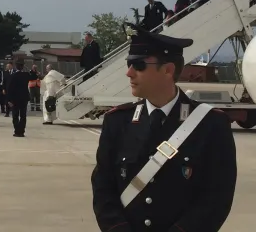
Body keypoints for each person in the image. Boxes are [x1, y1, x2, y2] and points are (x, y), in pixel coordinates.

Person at [91, 22, 237, 232]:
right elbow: (103, 188)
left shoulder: (211, 125)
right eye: (129, 64)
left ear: (168, 70)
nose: (129, 73)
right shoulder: (117, 122)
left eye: (139, 65)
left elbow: (216, 198)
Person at [6, 60, 30, 137]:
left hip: (15, 99)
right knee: (23, 115)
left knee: (15, 115)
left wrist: (9, 99)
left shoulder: (13, 76)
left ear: (16, 66)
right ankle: (22, 131)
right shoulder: (26, 75)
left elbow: (9, 88)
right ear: (23, 66)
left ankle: (17, 131)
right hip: (24, 98)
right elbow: (34, 76)